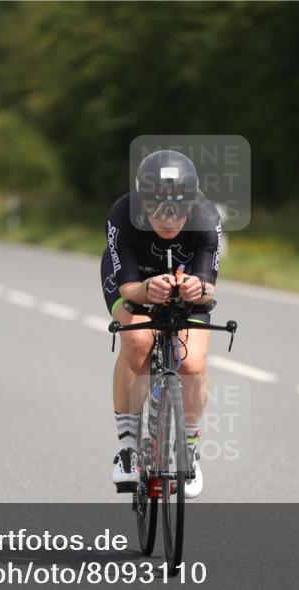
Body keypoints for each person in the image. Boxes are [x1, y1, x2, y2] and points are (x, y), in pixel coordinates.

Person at [102, 149, 222, 498]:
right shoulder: (122, 214)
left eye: (177, 212)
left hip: (186, 284)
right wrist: (145, 289)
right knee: (138, 342)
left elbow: (207, 287)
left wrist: (196, 289)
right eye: (157, 212)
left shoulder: (206, 214)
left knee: (192, 363)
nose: (168, 222)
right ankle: (126, 447)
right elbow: (127, 287)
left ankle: (190, 447)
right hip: (134, 279)